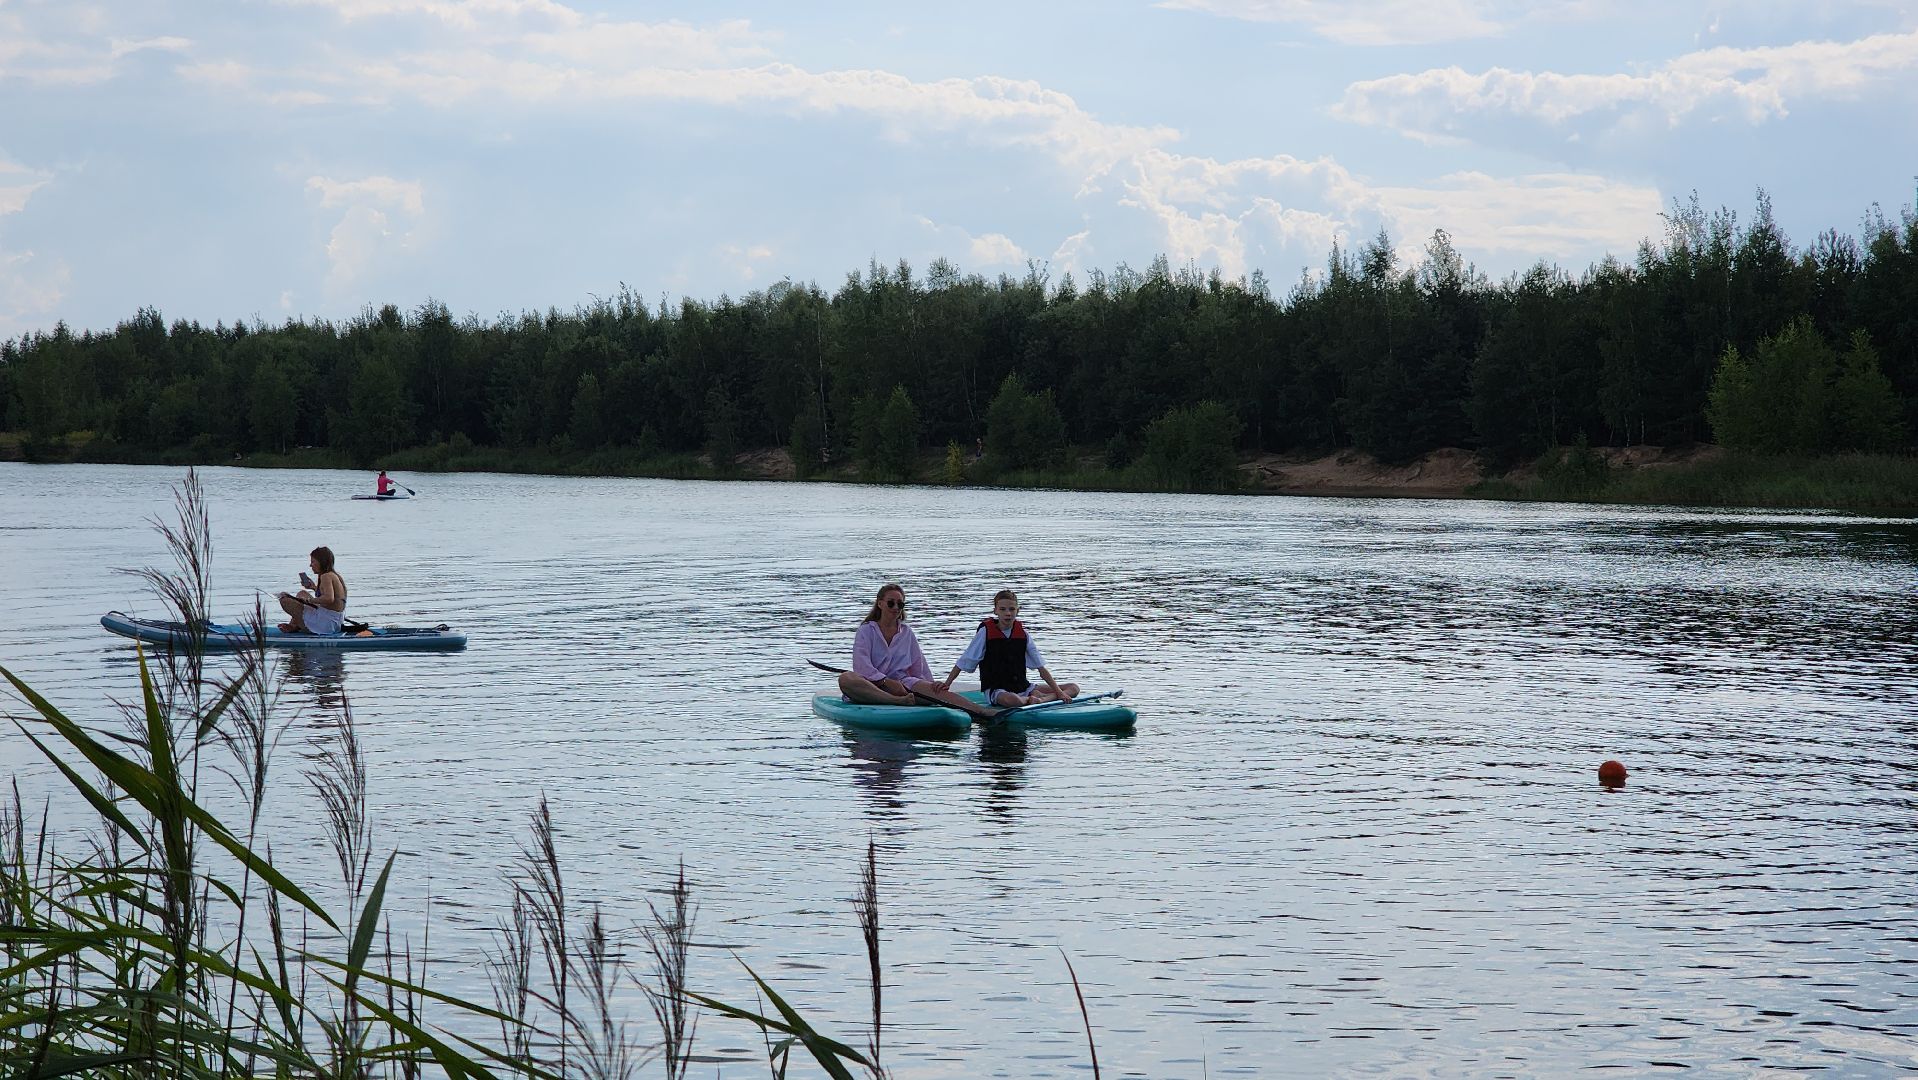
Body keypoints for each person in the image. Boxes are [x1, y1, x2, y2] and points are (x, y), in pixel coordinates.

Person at [837, 583, 982, 713]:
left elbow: (918, 665)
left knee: (936, 692)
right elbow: (862, 666)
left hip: (904, 686)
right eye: (891, 603)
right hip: (871, 686)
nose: (895, 608)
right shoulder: (866, 630)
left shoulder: (907, 632)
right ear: (880, 604)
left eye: (900, 604)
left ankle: (981, 711)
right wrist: (886, 682)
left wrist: (932, 685)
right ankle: (894, 701)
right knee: (846, 678)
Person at [940, 589, 1078, 707]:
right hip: (998, 690)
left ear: (1017, 611)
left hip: (1024, 688)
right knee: (1012, 700)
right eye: (1003, 609)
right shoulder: (985, 633)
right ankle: (1034, 699)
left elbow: (1041, 668)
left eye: (1012, 609)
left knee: (1073, 688)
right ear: (996, 611)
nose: (1008, 613)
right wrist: (947, 684)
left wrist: (1059, 692)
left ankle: (1039, 699)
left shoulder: (1023, 635)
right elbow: (965, 660)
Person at [278, 546, 347, 634]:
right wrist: (314, 587)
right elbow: (333, 600)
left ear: (321, 562)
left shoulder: (326, 576)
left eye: (313, 562)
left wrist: (309, 600)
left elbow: (329, 599)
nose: (310, 565)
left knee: (285, 601)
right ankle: (294, 625)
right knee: (302, 593)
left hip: (326, 625)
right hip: (335, 622)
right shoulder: (334, 575)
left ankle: (297, 626)